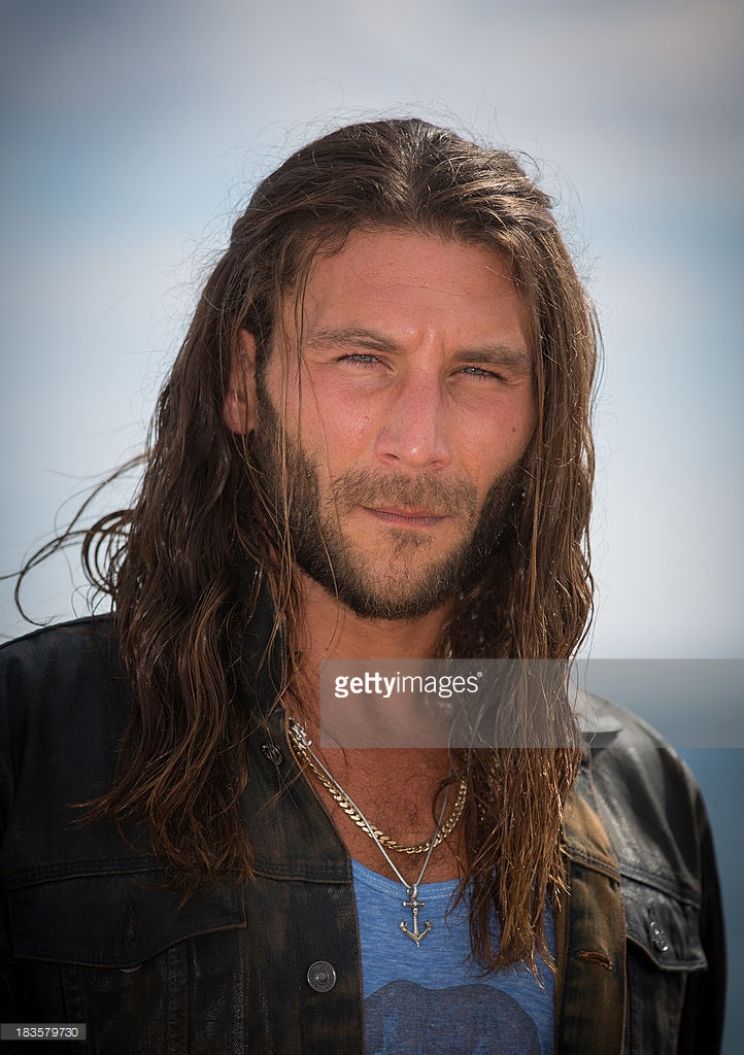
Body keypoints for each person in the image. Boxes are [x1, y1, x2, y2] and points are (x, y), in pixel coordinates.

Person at [0, 118, 725, 1054]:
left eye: (479, 371)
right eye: (361, 359)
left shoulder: (647, 802)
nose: (419, 442)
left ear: (540, 416)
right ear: (243, 380)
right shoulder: (28, 749)